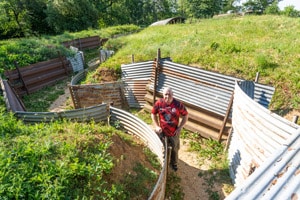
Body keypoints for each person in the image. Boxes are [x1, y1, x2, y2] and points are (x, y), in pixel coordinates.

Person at [151, 87, 188, 171]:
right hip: (162, 132)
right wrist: (157, 126)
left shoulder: (178, 105)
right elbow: (153, 114)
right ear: (163, 95)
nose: (167, 96)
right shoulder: (159, 103)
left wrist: (180, 127)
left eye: (169, 94)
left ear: (172, 95)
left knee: (175, 149)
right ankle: (163, 163)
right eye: (165, 94)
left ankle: (174, 163)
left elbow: (185, 115)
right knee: (163, 148)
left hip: (174, 132)